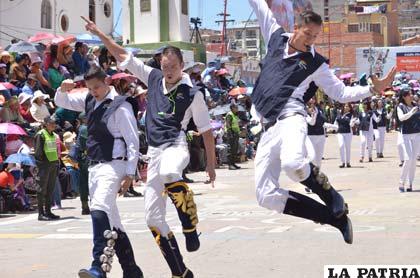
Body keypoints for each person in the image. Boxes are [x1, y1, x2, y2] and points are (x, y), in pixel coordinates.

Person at [248, 0, 395, 245]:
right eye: (308, 34)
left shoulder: (315, 63)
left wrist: (373, 89)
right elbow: (259, 6)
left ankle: (330, 194)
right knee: (265, 195)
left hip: (292, 117)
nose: (311, 41)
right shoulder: (275, 37)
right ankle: (333, 219)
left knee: (294, 163)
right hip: (268, 126)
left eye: (315, 36)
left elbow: (340, 93)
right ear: (296, 27)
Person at [82, 15, 216, 278]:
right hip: (153, 153)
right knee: (153, 220)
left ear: (182, 65)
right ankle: (180, 272)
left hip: (176, 146)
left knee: (169, 172)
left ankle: (189, 225)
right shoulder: (153, 78)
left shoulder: (193, 94)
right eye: (165, 66)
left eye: (174, 67)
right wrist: (99, 33)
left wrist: (211, 164)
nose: (169, 72)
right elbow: (122, 54)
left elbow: (207, 132)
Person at [55, 66, 144, 278]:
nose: (93, 91)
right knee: (113, 221)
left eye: (96, 87)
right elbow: (62, 101)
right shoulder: (90, 100)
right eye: (89, 88)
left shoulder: (120, 107)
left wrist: (130, 174)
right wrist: (62, 89)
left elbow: (133, 141)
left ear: (107, 82)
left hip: (114, 164)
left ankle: (98, 267)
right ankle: (132, 271)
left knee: (99, 208)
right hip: (95, 166)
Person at [34, 116, 61, 221]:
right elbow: (38, 152)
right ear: (45, 124)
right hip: (44, 165)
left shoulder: (54, 135)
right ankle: (41, 214)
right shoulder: (40, 135)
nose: (53, 125)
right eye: (51, 123)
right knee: (41, 190)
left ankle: (48, 212)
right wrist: (42, 164)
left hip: (53, 164)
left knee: (50, 189)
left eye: (54, 123)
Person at [396, 88, 420, 192]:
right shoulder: (400, 107)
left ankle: (410, 183)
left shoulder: (416, 105)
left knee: (414, 159)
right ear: (404, 97)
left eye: (411, 94)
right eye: (409, 94)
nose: (411, 96)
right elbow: (401, 118)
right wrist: (411, 112)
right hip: (406, 135)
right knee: (408, 158)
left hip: (416, 134)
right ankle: (402, 182)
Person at [306, 98, 327, 168]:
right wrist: (313, 115)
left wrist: (334, 126)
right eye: (310, 98)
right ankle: (311, 176)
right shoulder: (304, 111)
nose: (311, 100)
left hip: (321, 136)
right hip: (310, 136)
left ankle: (317, 174)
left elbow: (323, 122)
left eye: (313, 99)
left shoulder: (319, 110)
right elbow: (312, 123)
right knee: (312, 157)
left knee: (319, 158)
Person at [334, 103, 356, 168]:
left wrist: (353, 122)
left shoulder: (351, 115)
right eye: (345, 106)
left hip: (348, 133)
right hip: (340, 133)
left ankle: (348, 162)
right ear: (343, 107)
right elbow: (335, 123)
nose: (346, 107)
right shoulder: (339, 114)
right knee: (341, 146)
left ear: (349, 108)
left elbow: (351, 125)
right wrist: (333, 128)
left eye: (348, 106)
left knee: (347, 148)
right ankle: (343, 162)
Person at [225, 104, 242, 170]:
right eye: (236, 107)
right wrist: (231, 133)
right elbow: (228, 125)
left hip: (236, 134)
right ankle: (230, 165)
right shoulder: (229, 114)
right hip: (231, 134)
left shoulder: (235, 115)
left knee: (235, 149)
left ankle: (233, 163)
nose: (237, 108)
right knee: (231, 149)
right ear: (232, 108)